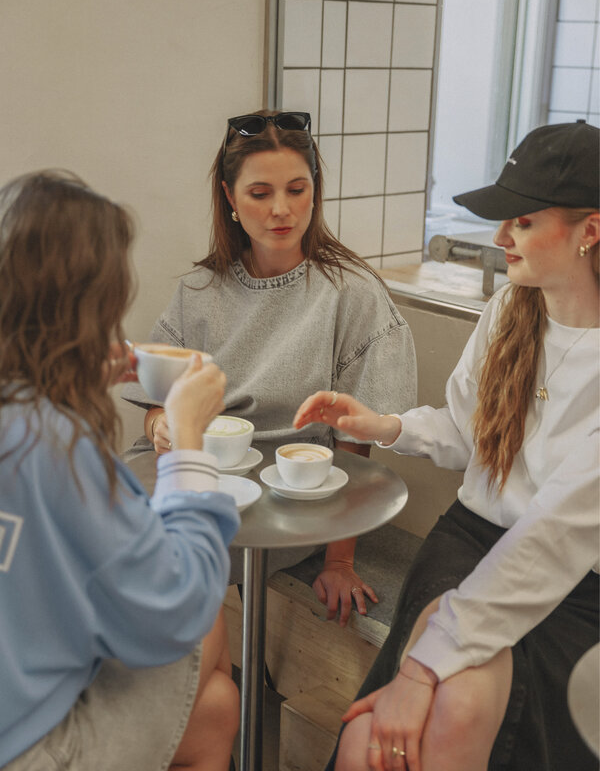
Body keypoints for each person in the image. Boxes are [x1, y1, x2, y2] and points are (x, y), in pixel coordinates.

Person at [293, 120, 600, 771]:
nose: (500, 237)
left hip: (576, 584)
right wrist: (384, 427)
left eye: (521, 221)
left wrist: (423, 669)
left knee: (452, 715)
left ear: (589, 232)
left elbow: (557, 537)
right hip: (471, 541)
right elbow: (470, 432)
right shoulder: (510, 311)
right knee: (365, 746)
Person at [122, 109, 416, 626]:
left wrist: (340, 561)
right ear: (230, 197)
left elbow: (356, 443)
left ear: (315, 190)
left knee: (160, 570)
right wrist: (161, 425)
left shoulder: (352, 294)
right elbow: (153, 403)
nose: (282, 210)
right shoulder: (199, 290)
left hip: (287, 499)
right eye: (260, 194)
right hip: (196, 474)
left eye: (297, 189)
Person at [0, 171, 241, 771]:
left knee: (214, 707)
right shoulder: (48, 441)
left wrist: (72, 370)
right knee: (207, 619)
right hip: (27, 745)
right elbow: (173, 608)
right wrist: (187, 433)